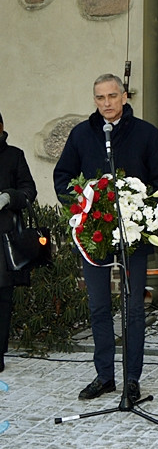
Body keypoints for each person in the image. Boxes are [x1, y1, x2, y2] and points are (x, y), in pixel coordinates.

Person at [53, 74, 158, 403]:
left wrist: (141, 212)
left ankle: (131, 379)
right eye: (100, 97)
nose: (106, 103)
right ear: (94, 101)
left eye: (112, 96)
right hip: (94, 236)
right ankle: (105, 375)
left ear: (123, 96)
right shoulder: (81, 135)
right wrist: (82, 208)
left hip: (133, 236)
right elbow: (62, 176)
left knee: (134, 308)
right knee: (99, 305)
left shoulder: (146, 134)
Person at [0, 110, 37, 372]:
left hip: (3, 240)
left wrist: (8, 197)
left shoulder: (14, 155)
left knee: (2, 298)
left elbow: (29, 191)